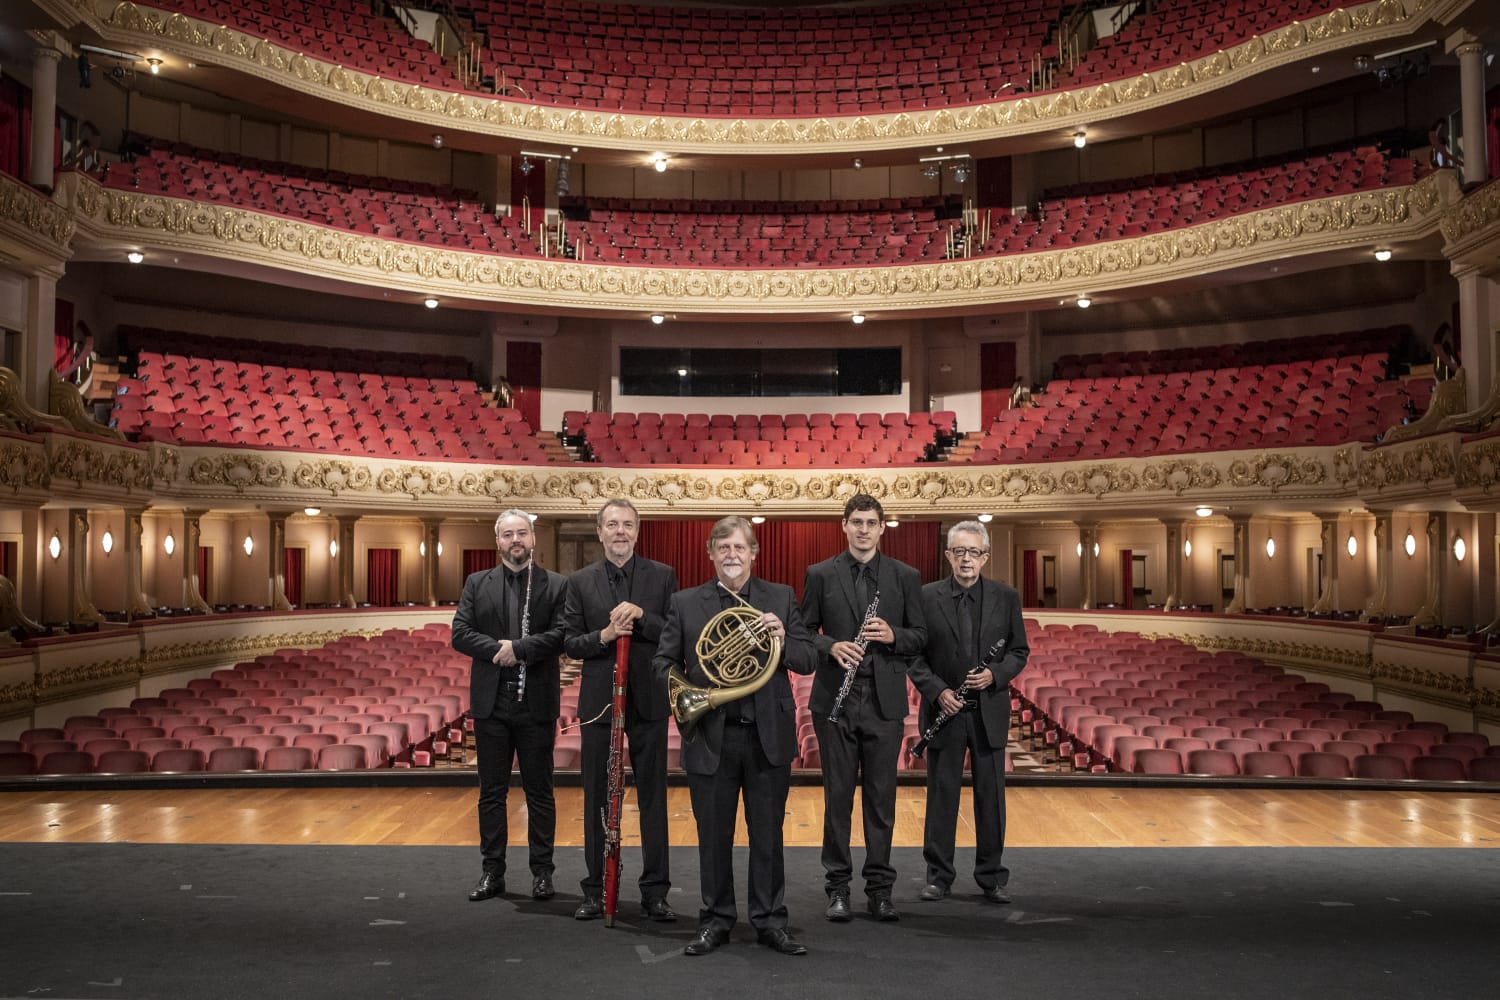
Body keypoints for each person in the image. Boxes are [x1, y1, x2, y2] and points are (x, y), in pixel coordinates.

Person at [652, 516, 817, 957]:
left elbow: (805, 658)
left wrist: (783, 637)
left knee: (768, 835)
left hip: (767, 735)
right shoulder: (685, 603)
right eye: (723, 547)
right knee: (714, 836)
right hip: (711, 735)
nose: (731, 555)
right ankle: (716, 920)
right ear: (710, 554)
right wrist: (689, 692)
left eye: (739, 548)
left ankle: (769, 921)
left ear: (753, 554)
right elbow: (663, 662)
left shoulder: (780, 598)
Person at [801, 493, 926, 922]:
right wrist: (831, 645)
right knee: (838, 798)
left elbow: (921, 636)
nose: (863, 529)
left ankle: (879, 889)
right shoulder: (820, 574)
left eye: (871, 523)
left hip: (884, 700)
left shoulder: (904, 576)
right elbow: (802, 631)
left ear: (881, 527)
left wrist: (893, 635)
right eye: (856, 522)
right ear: (844, 525)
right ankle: (837, 887)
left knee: (880, 799)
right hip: (834, 698)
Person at [561, 498, 679, 922]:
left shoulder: (662, 576)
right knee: (596, 797)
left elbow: (672, 632)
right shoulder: (579, 582)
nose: (620, 532)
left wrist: (643, 617)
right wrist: (607, 634)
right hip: (598, 703)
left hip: (648, 699)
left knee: (653, 799)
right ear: (599, 532)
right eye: (612, 525)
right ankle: (595, 889)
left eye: (627, 524)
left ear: (637, 530)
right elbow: (571, 642)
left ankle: (655, 892)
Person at [908, 520, 1029, 904]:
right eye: (958, 551)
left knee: (990, 799)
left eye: (973, 552)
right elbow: (913, 655)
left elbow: (1019, 651)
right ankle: (938, 876)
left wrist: (995, 674)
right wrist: (938, 691)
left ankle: (991, 876)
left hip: (987, 712)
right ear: (948, 555)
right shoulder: (925, 597)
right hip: (946, 710)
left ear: (985, 557)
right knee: (942, 797)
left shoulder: (1006, 597)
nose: (966, 559)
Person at [452, 509, 567, 903]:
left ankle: (542, 873)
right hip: (491, 706)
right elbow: (460, 633)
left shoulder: (555, 585)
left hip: (536, 706)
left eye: (522, 533)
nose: (515, 540)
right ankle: (492, 872)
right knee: (491, 794)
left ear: (533, 539)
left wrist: (518, 649)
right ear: (497, 540)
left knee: (540, 793)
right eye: (508, 535)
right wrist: (498, 651)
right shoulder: (476, 583)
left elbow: (562, 635)